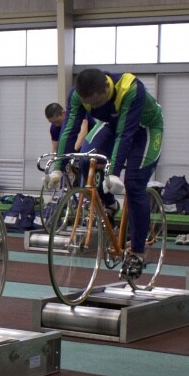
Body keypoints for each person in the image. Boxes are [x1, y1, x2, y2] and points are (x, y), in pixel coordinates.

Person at [48, 68, 164, 281]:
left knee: (134, 184)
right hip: (112, 126)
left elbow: (126, 134)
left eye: (97, 103)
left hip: (145, 129)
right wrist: (58, 166)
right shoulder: (77, 95)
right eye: (88, 104)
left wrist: (113, 172)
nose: (93, 107)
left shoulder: (130, 89)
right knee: (86, 159)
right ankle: (110, 204)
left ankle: (137, 252)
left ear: (107, 88)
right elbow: (69, 128)